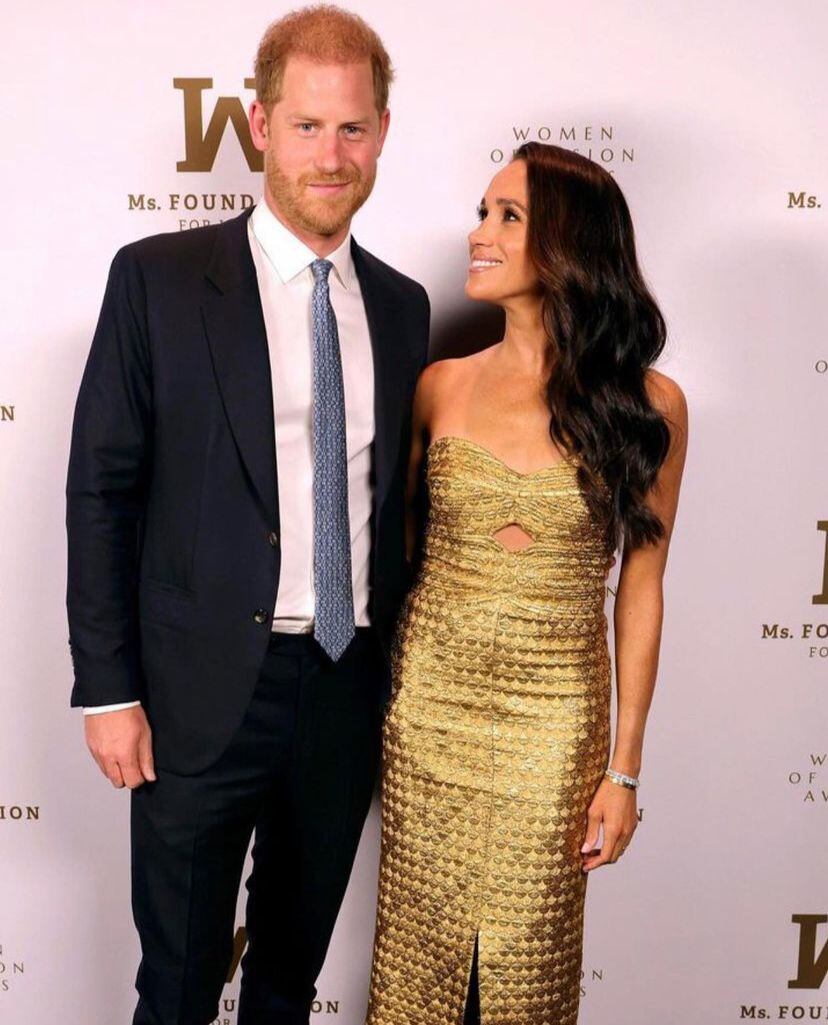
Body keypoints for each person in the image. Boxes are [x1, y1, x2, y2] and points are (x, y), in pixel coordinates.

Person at [65, 7, 429, 1024]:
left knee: (286, 986)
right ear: (261, 126)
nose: (331, 155)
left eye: (351, 128)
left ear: (383, 133)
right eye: (307, 126)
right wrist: (108, 687)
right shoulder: (158, 279)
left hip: (345, 685)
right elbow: (102, 490)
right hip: (197, 693)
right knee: (178, 987)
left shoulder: (402, 306)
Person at [365, 142, 688, 1025]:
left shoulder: (649, 405)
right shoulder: (438, 385)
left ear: (568, 245)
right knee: (417, 968)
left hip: (556, 722)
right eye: (483, 212)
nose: (479, 233)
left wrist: (624, 770)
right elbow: (395, 561)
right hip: (430, 715)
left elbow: (644, 585)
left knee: (526, 974)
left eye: (508, 217)